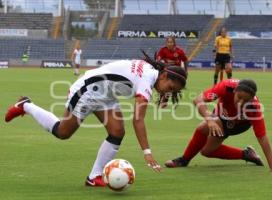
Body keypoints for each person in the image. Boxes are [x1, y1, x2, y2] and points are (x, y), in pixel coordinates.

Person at [5, 56, 187, 186]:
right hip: (87, 91)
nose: (167, 92)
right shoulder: (147, 81)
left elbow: (133, 78)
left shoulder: (152, 72)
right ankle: (26, 105)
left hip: (106, 93)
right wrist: (147, 152)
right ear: (163, 76)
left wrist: (164, 93)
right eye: (169, 87)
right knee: (63, 132)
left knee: (117, 132)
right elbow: (138, 120)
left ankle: (94, 177)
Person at [165, 79, 272, 173]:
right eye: (239, 97)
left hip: (239, 125)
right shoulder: (225, 87)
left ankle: (183, 160)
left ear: (252, 99)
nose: (240, 103)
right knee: (206, 150)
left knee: (205, 132)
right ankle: (246, 154)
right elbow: (198, 100)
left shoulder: (255, 108)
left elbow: (262, 137)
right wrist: (209, 120)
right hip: (219, 116)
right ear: (234, 91)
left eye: (245, 101)